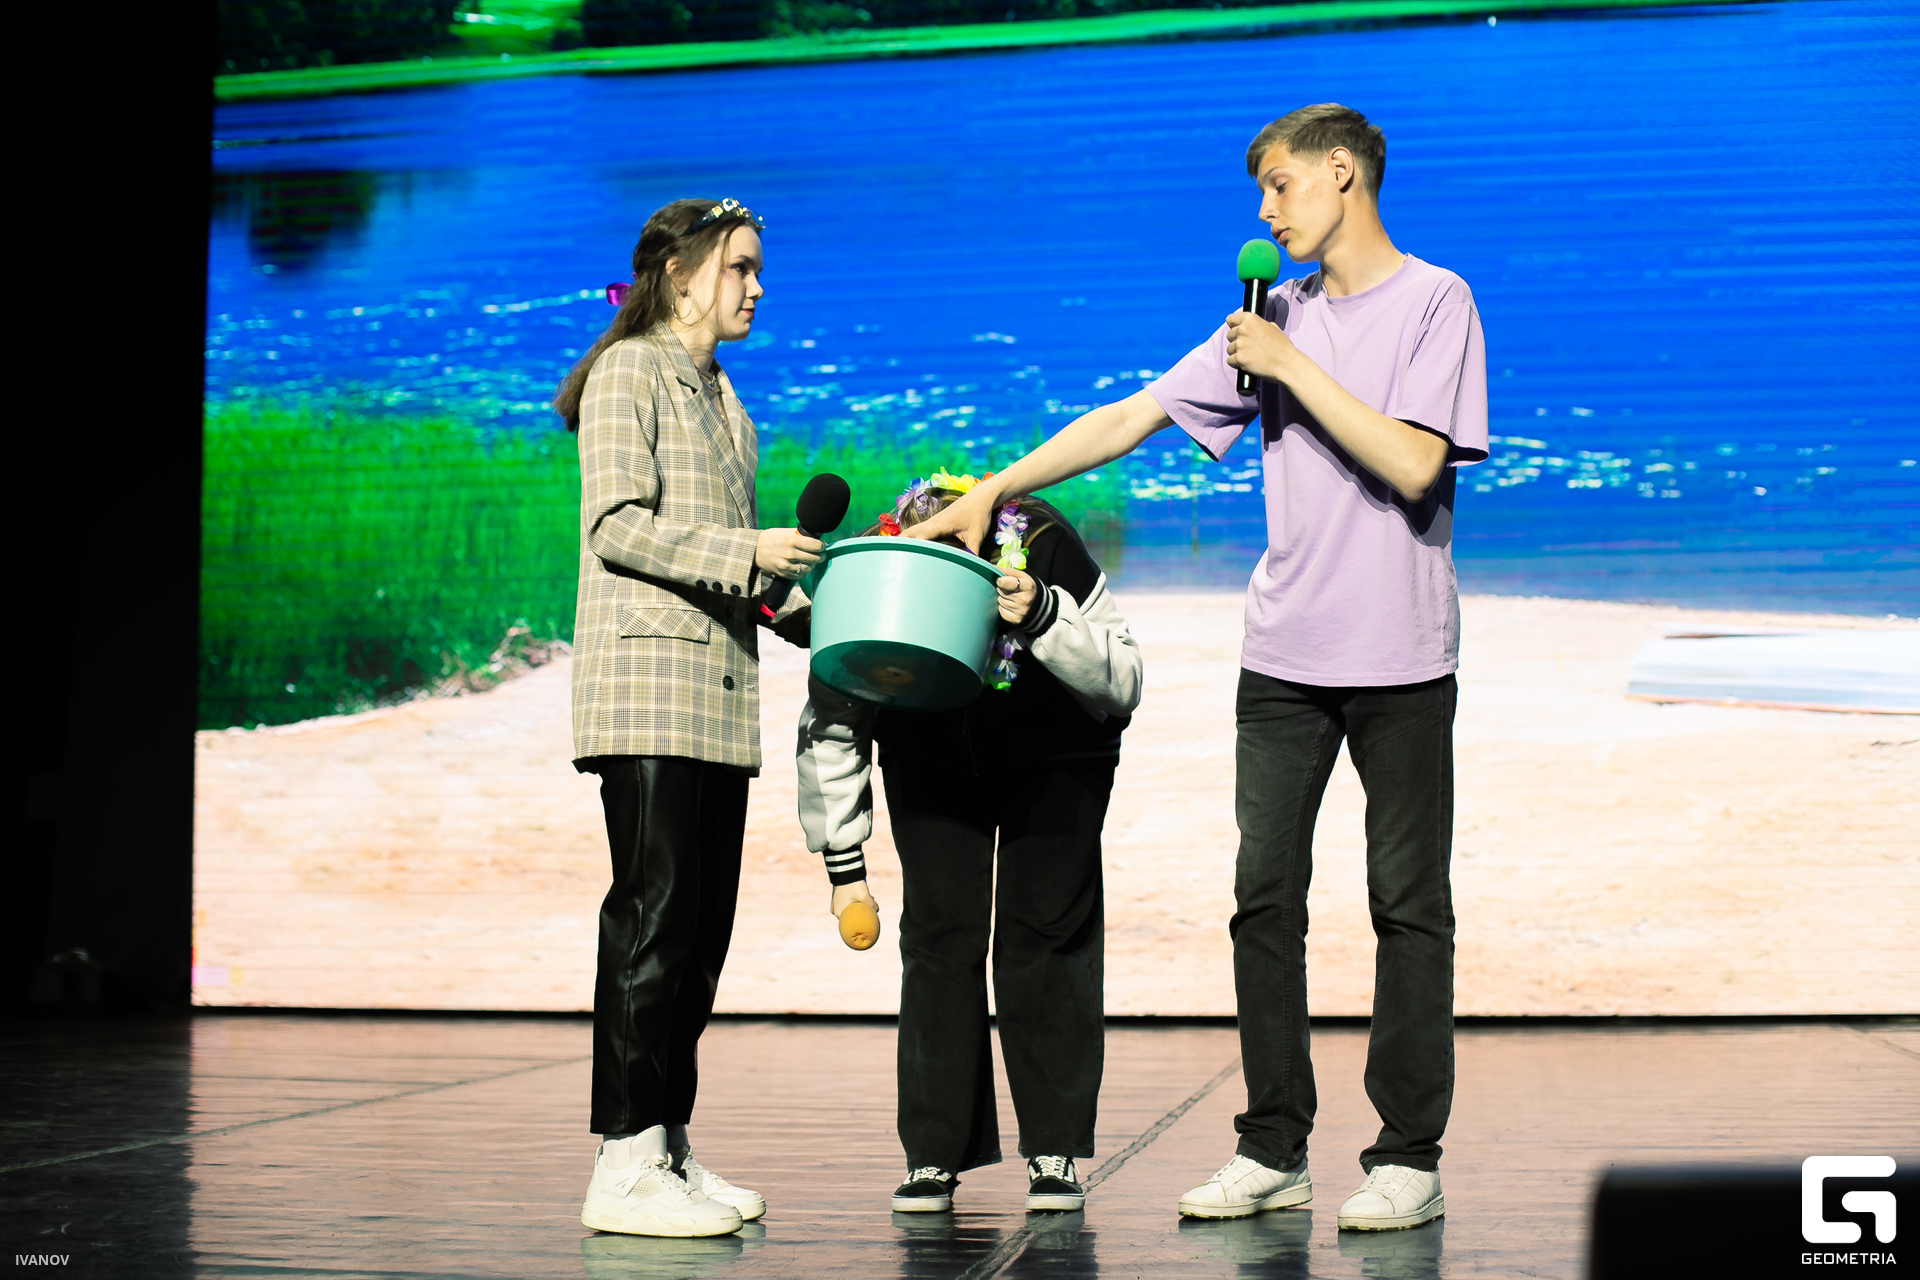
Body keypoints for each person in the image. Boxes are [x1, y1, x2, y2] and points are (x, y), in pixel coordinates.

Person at [909, 104, 1487, 1232]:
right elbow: (1132, 417)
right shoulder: (1272, 318)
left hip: (1403, 660)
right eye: (1261, 192)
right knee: (1263, 900)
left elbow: (1417, 464)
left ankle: (1407, 1155)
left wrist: (1289, 365)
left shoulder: (1435, 301)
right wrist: (994, 490)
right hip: (1284, 659)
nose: (1265, 212)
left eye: (1280, 186)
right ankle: (1274, 1145)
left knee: (1407, 905)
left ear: (1342, 173)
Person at [554, 196, 822, 1239]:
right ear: (679, 273)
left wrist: (826, 619)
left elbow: (734, 565)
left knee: (701, 936)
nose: (757, 286)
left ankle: (664, 1142)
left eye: (759, 268)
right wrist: (751, 551)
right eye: (740, 267)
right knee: (653, 920)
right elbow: (618, 527)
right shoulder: (630, 371)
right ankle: (621, 1161)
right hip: (649, 690)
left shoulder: (725, 398)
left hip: (716, 696)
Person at [796, 473, 1144, 1215]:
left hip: (1059, 753)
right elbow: (835, 717)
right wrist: (844, 865)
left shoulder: (1046, 545)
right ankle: (935, 1153)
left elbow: (1124, 681)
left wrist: (1044, 613)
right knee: (939, 937)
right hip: (931, 754)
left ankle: (1053, 1147)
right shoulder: (885, 567)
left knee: (1045, 936)